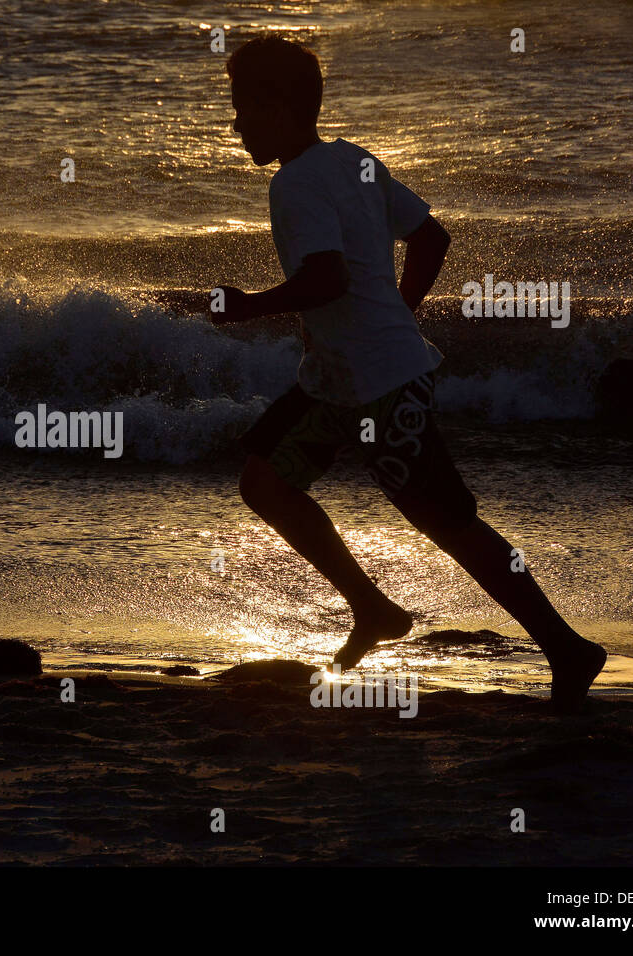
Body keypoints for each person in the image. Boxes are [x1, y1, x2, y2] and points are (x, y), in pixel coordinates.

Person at [213, 36, 605, 712]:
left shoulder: (295, 181)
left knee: (447, 523)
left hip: (379, 384)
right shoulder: (355, 161)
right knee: (265, 481)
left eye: (241, 108)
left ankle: (567, 647)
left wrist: (250, 307)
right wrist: (398, 312)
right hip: (338, 378)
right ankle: (373, 608)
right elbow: (430, 237)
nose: (234, 123)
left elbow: (327, 276)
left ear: (276, 108)